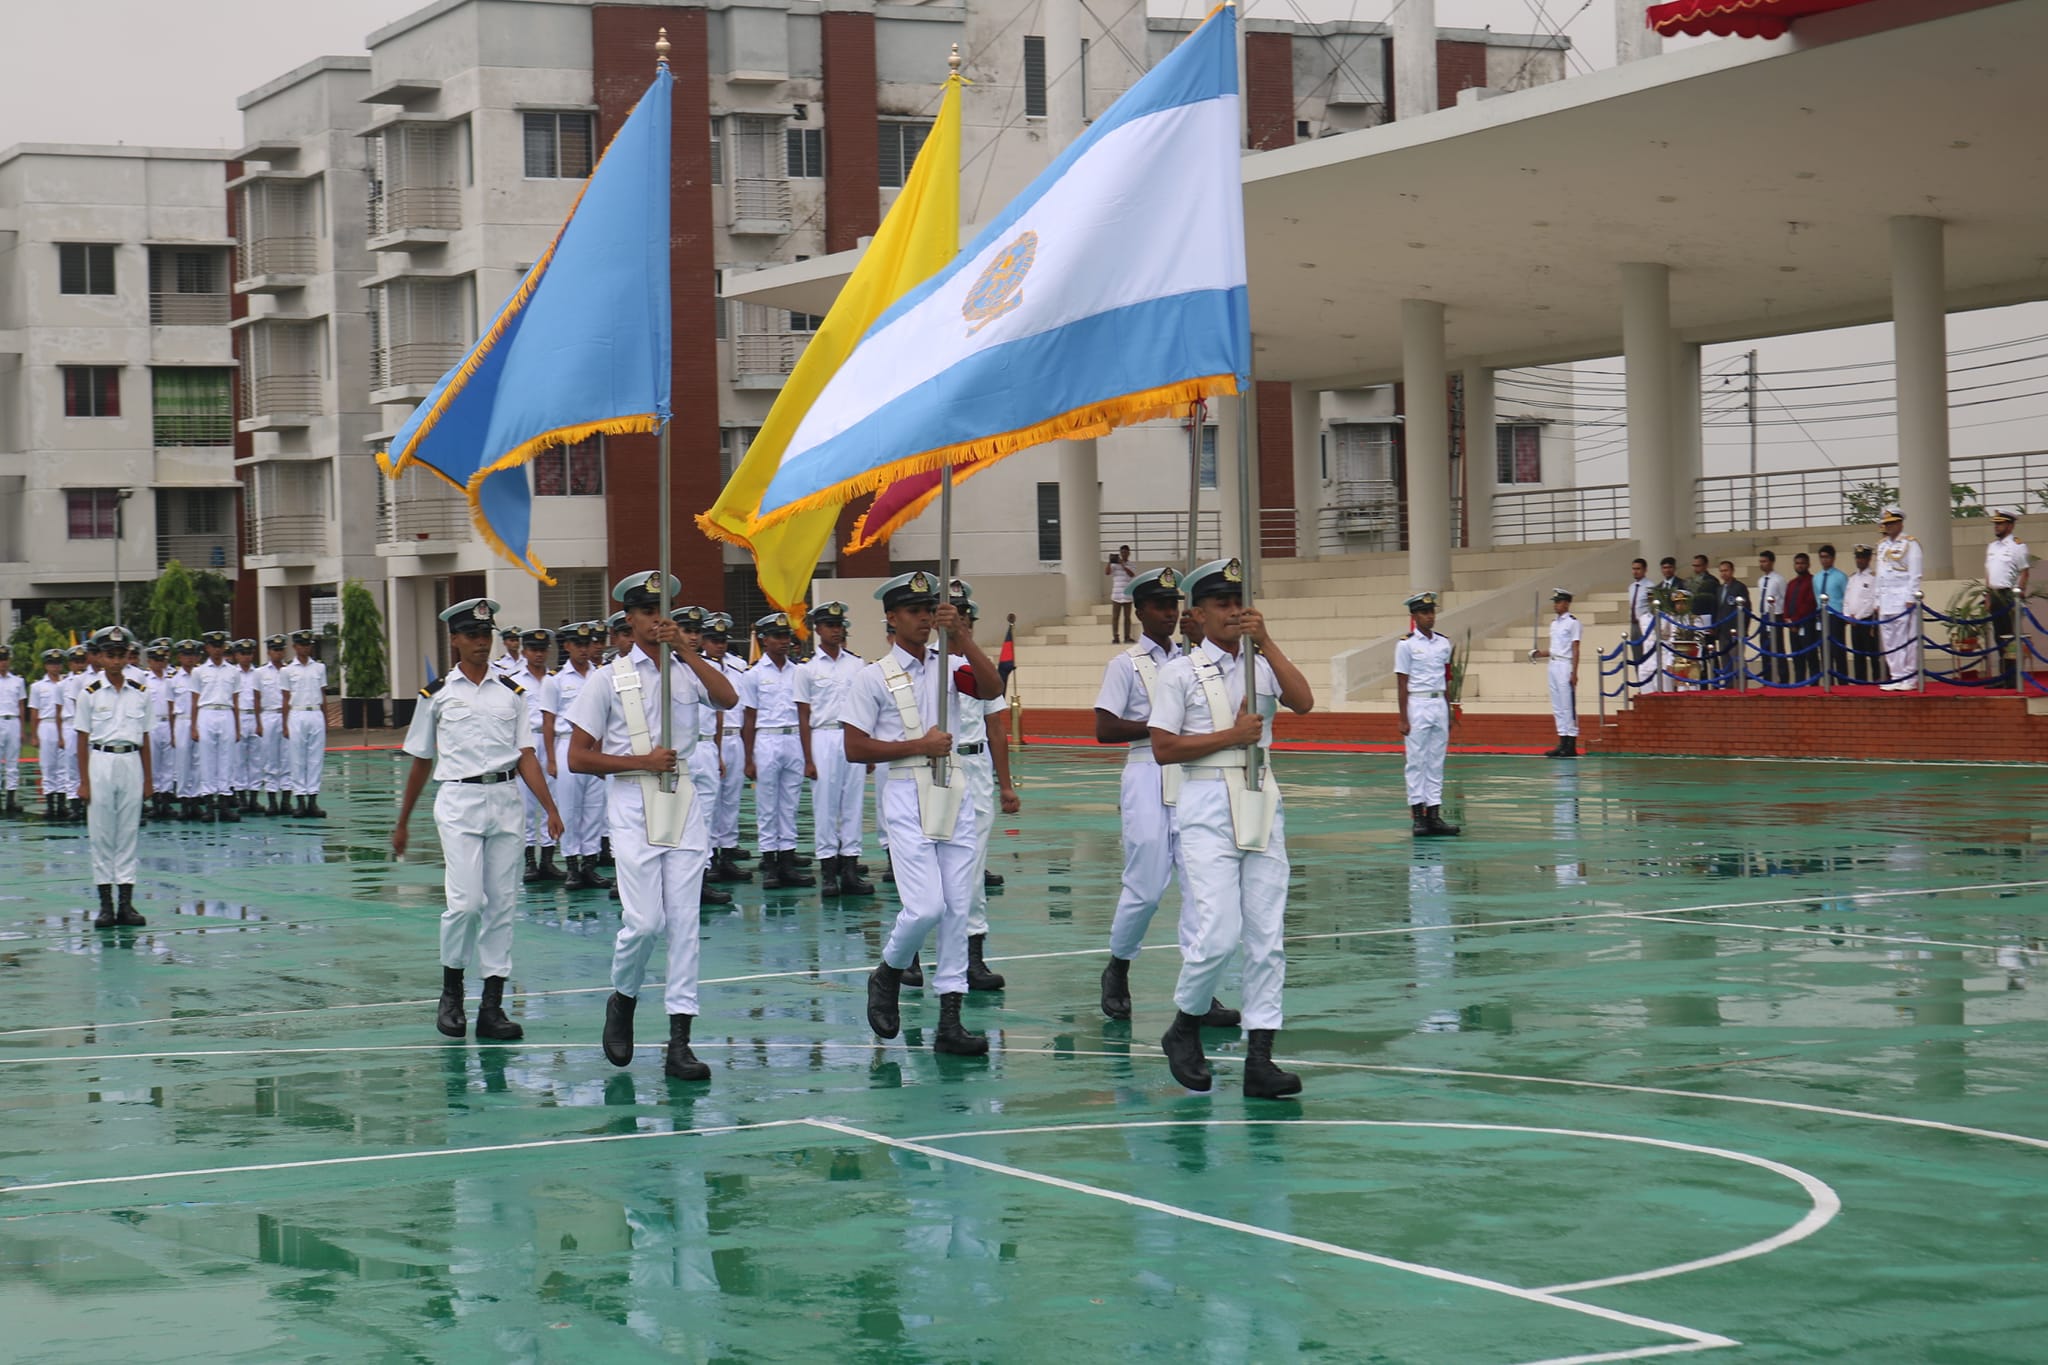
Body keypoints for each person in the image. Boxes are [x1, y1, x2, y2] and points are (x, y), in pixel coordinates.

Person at [1150, 557, 1314, 1101]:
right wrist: (1230, 736)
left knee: (1267, 937)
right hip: (1205, 801)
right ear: (1197, 614)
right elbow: (1163, 748)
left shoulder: (1260, 665)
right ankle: (1185, 1024)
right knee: (1219, 932)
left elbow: (1304, 702)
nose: (1234, 611)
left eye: (1239, 602)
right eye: (1221, 603)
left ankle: (1260, 1057)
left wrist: (1267, 642)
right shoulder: (1179, 672)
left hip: (1260, 796)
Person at [566, 572, 740, 1083]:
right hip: (632, 800)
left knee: (685, 922)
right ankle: (623, 997)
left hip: (682, 798)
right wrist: (639, 761)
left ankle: (679, 1040)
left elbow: (727, 698)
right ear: (629, 618)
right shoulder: (608, 678)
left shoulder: (688, 669)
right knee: (644, 923)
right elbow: (578, 757)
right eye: (645, 611)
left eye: (662, 610)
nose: (655, 619)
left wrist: (685, 650)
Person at [392, 597, 563, 1042]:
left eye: (486, 634)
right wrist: (403, 820)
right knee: (466, 903)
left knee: (502, 904)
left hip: (505, 799)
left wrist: (550, 807)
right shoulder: (436, 695)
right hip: (459, 800)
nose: (481, 643)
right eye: (472, 635)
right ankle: (451, 994)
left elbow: (526, 754)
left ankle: (492, 1006)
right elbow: (420, 760)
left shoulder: (511, 693)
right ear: (455, 640)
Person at [852, 571, 1004, 1056]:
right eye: (913, 611)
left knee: (958, 906)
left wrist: (961, 635)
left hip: (952, 785)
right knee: (925, 907)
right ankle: (888, 971)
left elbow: (991, 687)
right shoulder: (872, 676)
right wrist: (917, 744)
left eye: (928, 610)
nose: (923, 618)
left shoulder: (951, 667)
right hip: (904, 788)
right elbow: (856, 747)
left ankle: (950, 1019)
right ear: (891, 618)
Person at [1096, 567, 1208, 1019]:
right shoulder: (1124, 665)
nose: (1169, 613)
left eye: (1173, 605)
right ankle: (1119, 964)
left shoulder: (1196, 659)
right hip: (1146, 769)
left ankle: (1201, 989)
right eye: (1159, 606)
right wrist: (1159, 726)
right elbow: (1104, 727)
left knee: (1200, 885)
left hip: (1192, 771)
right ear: (1139, 611)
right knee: (1145, 886)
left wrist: (1202, 645)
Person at [947, 589, 1013, 991]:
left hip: (975, 767)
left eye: (965, 617)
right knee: (930, 869)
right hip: (938, 768)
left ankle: (973, 955)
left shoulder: (981, 667)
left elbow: (996, 728)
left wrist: (1006, 786)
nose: (959, 623)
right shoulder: (928, 664)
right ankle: (911, 955)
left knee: (973, 868)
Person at [795, 600, 874, 896]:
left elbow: (866, 708)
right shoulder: (806, 668)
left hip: (852, 735)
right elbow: (803, 716)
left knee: (853, 804)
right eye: (830, 625)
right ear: (817, 629)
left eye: (840, 625)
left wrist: (868, 747)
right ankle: (828, 872)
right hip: (823, 737)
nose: (836, 630)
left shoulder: (857, 665)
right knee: (825, 806)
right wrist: (808, 758)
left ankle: (850, 869)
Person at [74, 627, 151, 928]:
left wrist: (148, 780)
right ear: (100, 657)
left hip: (131, 761)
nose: (116, 660)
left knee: (128, 833)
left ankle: (126, 905)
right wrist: (84, 782)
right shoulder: (89, 693)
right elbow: (82, 739)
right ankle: (106, 906)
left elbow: (145, 737)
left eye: (121, 655)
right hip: (101, 762)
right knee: (102, 834)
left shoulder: (140, 691)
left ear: (128, 656)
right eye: (110, 655)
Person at [742, 611, 814, 889]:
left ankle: (787, 861)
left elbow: (805, 714)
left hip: (793, 738)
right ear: (764, 639)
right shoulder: (754, 675)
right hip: (767, 740)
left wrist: (808, 756)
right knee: (767, 806)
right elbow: (749, 718)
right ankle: (770, 864)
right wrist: (748, 758)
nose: (784, 641)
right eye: (777, 636)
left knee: (790, 804)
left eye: (786, 636)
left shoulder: (799, 672)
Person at [669, 606, 732, 909]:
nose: (693, 637)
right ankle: (673, 883)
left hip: (705, 749)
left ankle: (701, 879)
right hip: (677, 754)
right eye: (687, 631)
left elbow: (720, 711)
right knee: (673, 821)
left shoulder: (706, 668)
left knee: (704, 820)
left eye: (697, 632)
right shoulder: (665, 667)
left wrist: (718, 752)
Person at [540, 621, 610, 891]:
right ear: (567, 646)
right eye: (578, 644)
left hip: (596, 747)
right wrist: (551, 760)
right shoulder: (555, 680)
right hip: (567, 744)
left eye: (587, 644)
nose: (583, 649)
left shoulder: (600, 676)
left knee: (594, 808)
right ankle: (571, 865)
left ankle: (589, 865)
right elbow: (548, 722)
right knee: (569, 808)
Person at [1397, 591, 1462, 827]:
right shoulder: (1406, 645)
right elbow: (1402, 682)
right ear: (1414, 616)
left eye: (1432, 611)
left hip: (1438, 703)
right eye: (1424, 612)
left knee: (1436, 760)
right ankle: (1418, 815)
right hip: (1417, 703)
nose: (1430, 616)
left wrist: (1450, 710)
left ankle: (1434, 813)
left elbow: (1446, 679)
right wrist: (1403, 717)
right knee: (1416, 761)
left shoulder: (1443, 643)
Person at [701, 614, 752, 883]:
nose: (719, 645)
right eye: (714, 640)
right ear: (704, 641)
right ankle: (709, 858)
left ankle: (728, 853)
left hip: (736, 738)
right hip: (711, 740)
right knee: (710, 802)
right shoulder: (697, 668)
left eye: (722, 640)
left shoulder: (738, 667)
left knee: (732, 800)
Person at [190, 631, 242, 823]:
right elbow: (194, 700)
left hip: (226, 713)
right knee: (207, 760)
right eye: (213, 646)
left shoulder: (233, 671)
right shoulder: (199, 672)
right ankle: (209, 805)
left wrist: (237, 727)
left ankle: (225, 804)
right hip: (206, 713)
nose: (217, 650)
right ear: (207, 648)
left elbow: (236, 701)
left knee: (227, 760)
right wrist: (193, 726)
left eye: (220, 646)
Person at [280, 630, 329, 817]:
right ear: (295, 647)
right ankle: (300, 800)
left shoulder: (319, 668)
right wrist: (285, 724)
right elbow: (285, 698)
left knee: (315, 759)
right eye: (302, 644)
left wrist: (325, 720)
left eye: (308, 644)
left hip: (315, 712)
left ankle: (313, 800)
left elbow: (323, 694)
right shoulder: (287, 670)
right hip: (297, 713)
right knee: (297, 758)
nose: (305, 648)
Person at [1874, 505, 1924, 690]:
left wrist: (1911, 596)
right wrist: (1877, 599)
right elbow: (1879, 574)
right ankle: (1896, 676)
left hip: (1903, 598)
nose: (1888, 526)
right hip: (1886, 598)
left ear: (1900, 523)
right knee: (1889, 640)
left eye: (1892, 523)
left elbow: (1915, 573)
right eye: (1886, 523)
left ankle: (1909, 677)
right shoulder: (1882, 545)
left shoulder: (1910, 543)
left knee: (1906, 639)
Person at [1531, 589, 1582, 757]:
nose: (1555, 605)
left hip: (1565, 664)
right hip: (1553, 664)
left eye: (1558, 602)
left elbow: (1575, 648)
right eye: (1555, 602)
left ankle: (1571, 743)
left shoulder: (1573, 623)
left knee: (1568, 705)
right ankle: (1562, 741)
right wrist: (1539, 653)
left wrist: (1574, 672)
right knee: (1558, 706)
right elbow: (1554, 649)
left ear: (1566, 603)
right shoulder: (1554, 624)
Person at [1985, 508, 2031, 686]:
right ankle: (2003, 676)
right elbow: (1989, 573)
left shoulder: (2017, 546)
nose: (1996, 527)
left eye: (2000, 524)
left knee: (2009, 637)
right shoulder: (1992, 547)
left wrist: (2018, 594)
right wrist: (1988, 595)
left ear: (2010, 526)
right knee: (1998, 637)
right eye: (1996, 524)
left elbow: (2024, 572)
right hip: (1995, 594)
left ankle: (2012, 677)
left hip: (2009, 594)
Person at [143, 641, 180, 819]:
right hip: (152, 724)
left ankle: (166, 801)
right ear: (149, 661)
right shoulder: (144, 680)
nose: (159, 663)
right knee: (154, 764)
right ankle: (156, 802)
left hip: (168, 722)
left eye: (162, 660)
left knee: (168, 764)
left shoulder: (172, 679)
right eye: (156, 660)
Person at [254, 635, 289, 815]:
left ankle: (286, 801)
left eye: (281, 649)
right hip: (268, 716)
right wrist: (258, 723)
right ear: (268, 652)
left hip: (287, 716)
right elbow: (256, 699)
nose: (278, 653)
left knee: (287, 759)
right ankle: (272, 801)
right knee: (269, 759)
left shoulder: (289, 670)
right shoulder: (260, 673)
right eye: (275, 650)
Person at [30, 649, 66, 820]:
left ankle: (62, 805)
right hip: (46, 725)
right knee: (47, 766)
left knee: (63, 766)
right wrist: (34, 735)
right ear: (45, 665)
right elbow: (34, 712)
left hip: (64, 724)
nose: (55, 667)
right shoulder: (37, 687)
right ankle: (50, 805)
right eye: (51, 663)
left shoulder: (67, 683)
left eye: (58, 663)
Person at [231, 640, 265, 814]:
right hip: (238, 716)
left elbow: (261, 698)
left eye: (249, 653)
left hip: (255, 716)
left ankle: (253, 798)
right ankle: (242, 798)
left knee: (256, 760)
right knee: (239, 760)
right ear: (236, 655)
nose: (246, 657)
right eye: (243, 653)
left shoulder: (258, 673)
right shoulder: (231, 673)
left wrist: (260, 722)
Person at [172, 640, 204, 820]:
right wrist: (172, 732)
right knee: (183, 761)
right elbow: (170, 707)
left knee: (199, 762)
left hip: (200, 720)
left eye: (192, 655)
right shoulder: (173, 679)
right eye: (186, 655)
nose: (189, 659)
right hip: (182, 721)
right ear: (179, 657)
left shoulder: (201, 676)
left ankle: (196, 798)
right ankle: (184, 800)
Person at [1843, 546, 1881, 684]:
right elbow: (1847, 599)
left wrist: (1858, 617)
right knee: (1858, 655)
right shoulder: (1852, 578)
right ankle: (1860, 682)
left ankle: (1877, 681)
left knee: (1873, 654)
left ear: (1869, 559)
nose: (1859, 560)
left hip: (1867, 621)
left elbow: (1871, 600)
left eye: (1862, 558)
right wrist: (1848, 615)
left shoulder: (1873, 578)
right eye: (1857, 557)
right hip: (1853, 622)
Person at [1814, 546, 1849, 686]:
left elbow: (1846, 597)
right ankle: (1828, 682)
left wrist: (1844, 615)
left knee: (1838, 651)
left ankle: (1843, 683)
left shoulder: (1840, 577)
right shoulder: (1816, 577)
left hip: (1836, 616)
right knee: (1824, 651)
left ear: (1833, 558)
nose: (1824, 560)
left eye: (1827, 557)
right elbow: (1816, 596)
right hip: (1822, 616)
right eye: (1822, 557)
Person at [1712, 562, 1750, 687]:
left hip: (1735, 631)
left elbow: (1746, 610)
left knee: (1737, 660)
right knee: (1725, 661)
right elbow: (1718, 610)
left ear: (1732, 571)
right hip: (1723, 631)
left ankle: (1741, 687)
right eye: (1721, 571)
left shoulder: (1739, 587)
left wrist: (1742, 629)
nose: (1724, 573)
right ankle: (1729, 688)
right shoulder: (1719, 589)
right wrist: (1716, 627)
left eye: (1726, 570)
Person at [1784, 553, 1818, 686]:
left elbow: (1809, 604)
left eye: (1802, 563)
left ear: (1808, 565)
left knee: (1811, 656)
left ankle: (1814, 686)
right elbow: (1787, 602)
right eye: (1797, 563)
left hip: (1807, 624)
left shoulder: (1812, 581)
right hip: (1792, 626)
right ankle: (1799, 685)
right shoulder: (1791, 583)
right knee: (1797, 657)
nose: (1800, 566)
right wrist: (1787, 619)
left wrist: (1796, 620)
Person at [1754, 551, 1787, 685]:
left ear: (1772, 562)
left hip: (1776, 616)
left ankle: (1783, 679)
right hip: (1764, 616)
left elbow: (1784, 598)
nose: (1762, 564)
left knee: (1778, 648)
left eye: (1765, 561)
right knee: (1764, 649)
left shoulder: (1779, 579)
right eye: (1761, 561)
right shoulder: (1761, 580)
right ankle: (1767, 680)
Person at [1624, 558, 1655, 693]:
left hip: (1645, 625)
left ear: (1645, 570)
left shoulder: (1650, 586)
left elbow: (1652, 607)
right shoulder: (1631, 587)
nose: (1635, 571)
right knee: (1636, 656)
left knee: (1647, 655)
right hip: (1634, 624)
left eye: (1638, 569)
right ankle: (1641, 686)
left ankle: (1650, 687)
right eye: (1633, 569)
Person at [0, 646, 22, 814]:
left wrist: (21, 728)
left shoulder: (17, 681)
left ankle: (10, 800)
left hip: (13, 721)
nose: (3, 663)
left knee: (13, 763)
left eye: (5, 659)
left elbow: (21, 704)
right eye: (1, 659)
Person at [1107, 545, 1136, 644]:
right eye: (1122, 552)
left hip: (1127, 594)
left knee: (1127, 617)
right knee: (1115, 617)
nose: (1123, 554)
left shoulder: (1131, 564)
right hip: (1116, 595)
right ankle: (1115, 637)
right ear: (1120, 553)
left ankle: (1127, 637)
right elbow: (1107, 572)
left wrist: (1123, 565)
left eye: (1125, 552)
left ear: (1128, 553)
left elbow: (1131, 574)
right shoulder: (1114, 565)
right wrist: (1109, 562)